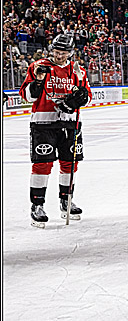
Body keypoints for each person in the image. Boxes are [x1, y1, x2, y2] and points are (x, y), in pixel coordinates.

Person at [19, 32, 91, 227]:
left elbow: (87, 96)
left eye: (63, 53)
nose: (59, 56)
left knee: (70, 163)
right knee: (42, 164)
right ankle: (37, 205)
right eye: (56, 52)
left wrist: (80, 98)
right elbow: (28, 96)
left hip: (70, 123)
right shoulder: (39, 67)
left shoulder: (78, 71)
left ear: (70, 52)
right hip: (44, 123)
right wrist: (39, 81)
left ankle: (65, 200)